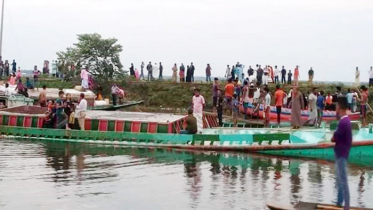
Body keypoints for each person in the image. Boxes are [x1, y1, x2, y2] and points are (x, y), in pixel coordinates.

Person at [331, 96, 352, 210]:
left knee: (343, 181)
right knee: (339, 180)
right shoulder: (345, 121)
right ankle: (339, 203)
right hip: (341, 154)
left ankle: (346, 206)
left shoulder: (344, 122)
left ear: (340, 107)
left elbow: (335, 137)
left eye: (337, 106)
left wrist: (333, 137)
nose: (336, 109)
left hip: (341, 155)